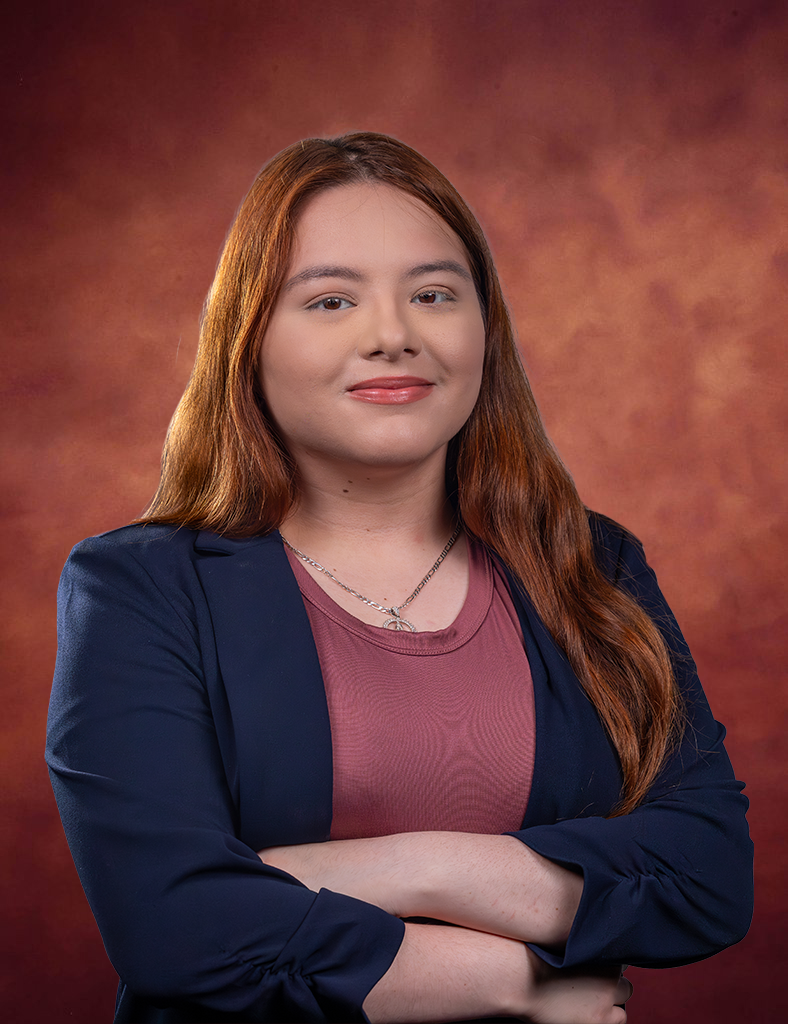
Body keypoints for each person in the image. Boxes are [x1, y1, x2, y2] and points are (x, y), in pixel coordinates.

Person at [46, 131, 753, 1024]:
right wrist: (512, 981)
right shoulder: (141, 589)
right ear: (248, 341)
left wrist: (411, 867)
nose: (393, 336)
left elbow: (711, 874)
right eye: (331, 300)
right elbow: (177, 930)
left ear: (483, 330)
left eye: (433, 294)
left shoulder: (592, 562)